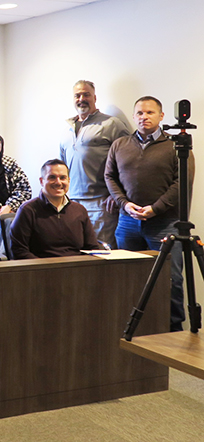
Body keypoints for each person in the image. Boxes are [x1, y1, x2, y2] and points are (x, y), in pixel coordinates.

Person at [105, 96, 194, 332]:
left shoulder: (176, 145)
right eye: (140, 113)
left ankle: (174, 331)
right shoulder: (119, 145)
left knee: (171, 280)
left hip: (165, 223)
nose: (144, 117)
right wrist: (124, 204)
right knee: (127, 276)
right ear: (134, 116)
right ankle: (133, 328)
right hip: (127, 222)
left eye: (150, 113)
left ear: (161, 116)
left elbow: (182, 182)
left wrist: (156, 208)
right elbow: (109, 177)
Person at [59, 80, 131, 247]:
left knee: (103, 253)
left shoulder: (111, 124)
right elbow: (63, 168)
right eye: (77, 95)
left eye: (86, 94)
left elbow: (127, 161)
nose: (81, 98)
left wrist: (117, 194)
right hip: (71, 203)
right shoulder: (66, 131)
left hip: (101, 205)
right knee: (76, 253)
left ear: (95, 97)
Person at [9, 159, 98, 259]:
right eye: (52, 177)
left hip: (77, 269)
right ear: (42, 181)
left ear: (68, 180)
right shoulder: (27, 210)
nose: (58, 182)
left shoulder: (79, 210)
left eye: (62, 178)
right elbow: (19, 251)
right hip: (42, 270)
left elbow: (92, 248)